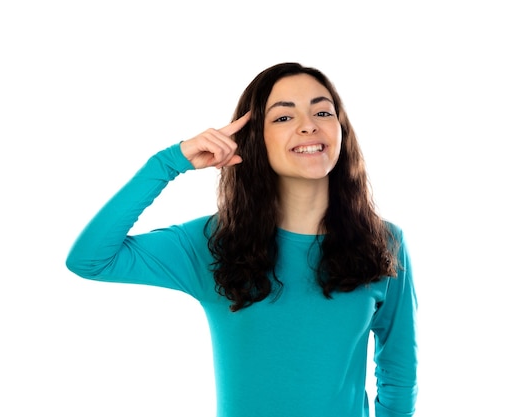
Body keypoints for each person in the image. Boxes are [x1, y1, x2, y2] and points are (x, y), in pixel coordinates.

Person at [66, 62, 418, 417]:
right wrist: (168, 163)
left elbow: (398, 369)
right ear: (255, 139)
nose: (308, 125)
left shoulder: (384, 242)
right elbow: (90, 259)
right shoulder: (212, 243)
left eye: (322, 111)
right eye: (283, 117)